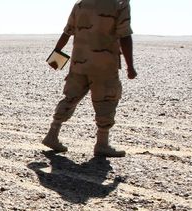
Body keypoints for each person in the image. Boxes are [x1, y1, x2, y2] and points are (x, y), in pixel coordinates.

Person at [43, 0, 137, 157]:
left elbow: (67, 33)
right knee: (106, 100)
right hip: (104, 65)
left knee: (70, 97)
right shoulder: (119, 4)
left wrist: (55, 58)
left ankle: (52, 134)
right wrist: (130, 66)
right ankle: (102, 144)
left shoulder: (81, 4)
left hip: (79, 63)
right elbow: (125, 36)